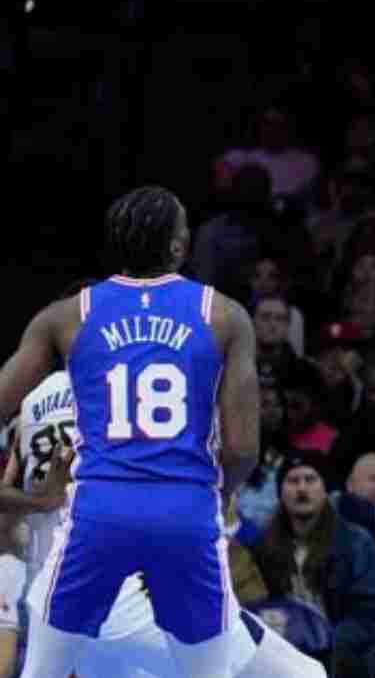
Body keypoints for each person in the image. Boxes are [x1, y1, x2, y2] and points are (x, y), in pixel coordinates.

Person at [0, 186, 261, 677]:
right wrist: (221, 492)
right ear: (179, 247)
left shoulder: (68, 315)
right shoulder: (223, 315)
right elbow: (244, 446)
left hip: (99, 511)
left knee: (43, 672)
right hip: (186, 510)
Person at [0, 369, 325, 678]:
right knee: (304, 673)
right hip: (127, 597)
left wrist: (39, 504)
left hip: (57, 605)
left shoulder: (30, 405)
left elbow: (6, 523)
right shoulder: (134, 390)